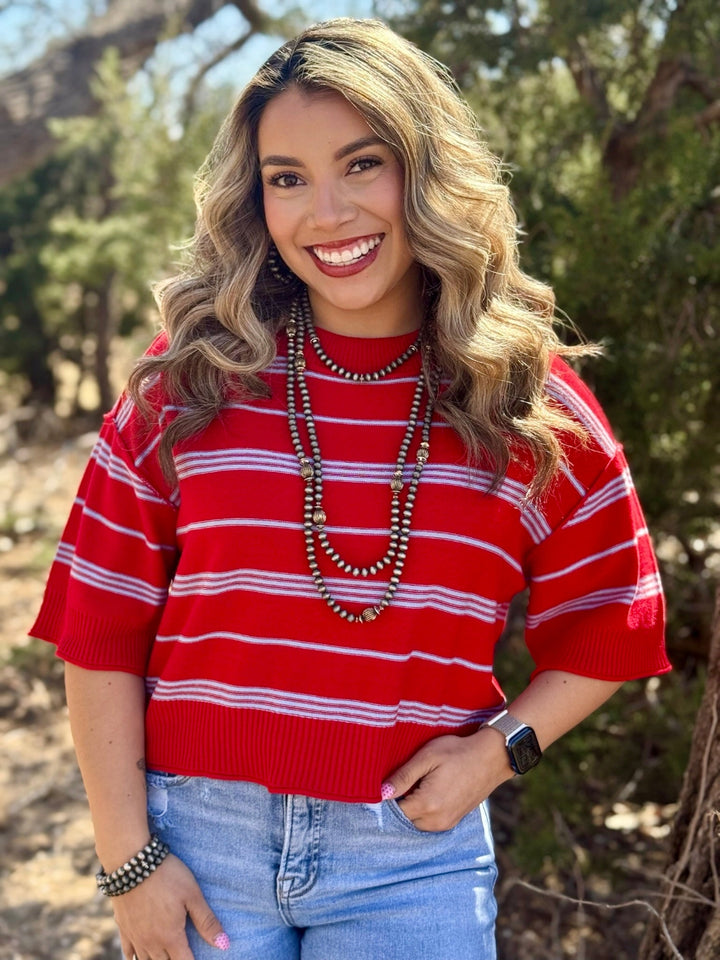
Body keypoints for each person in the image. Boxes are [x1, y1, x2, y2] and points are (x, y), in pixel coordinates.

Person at [30, 17, 670, 960]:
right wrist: (128, 858)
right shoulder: (190, 381)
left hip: (412, 862)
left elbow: (615, 618)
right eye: (286, 177)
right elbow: (98, 623)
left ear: (427, 170)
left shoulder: (526, 399)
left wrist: (500, 754)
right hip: (200, 853)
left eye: (362, 164)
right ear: (255, 197)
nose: (325, 212)